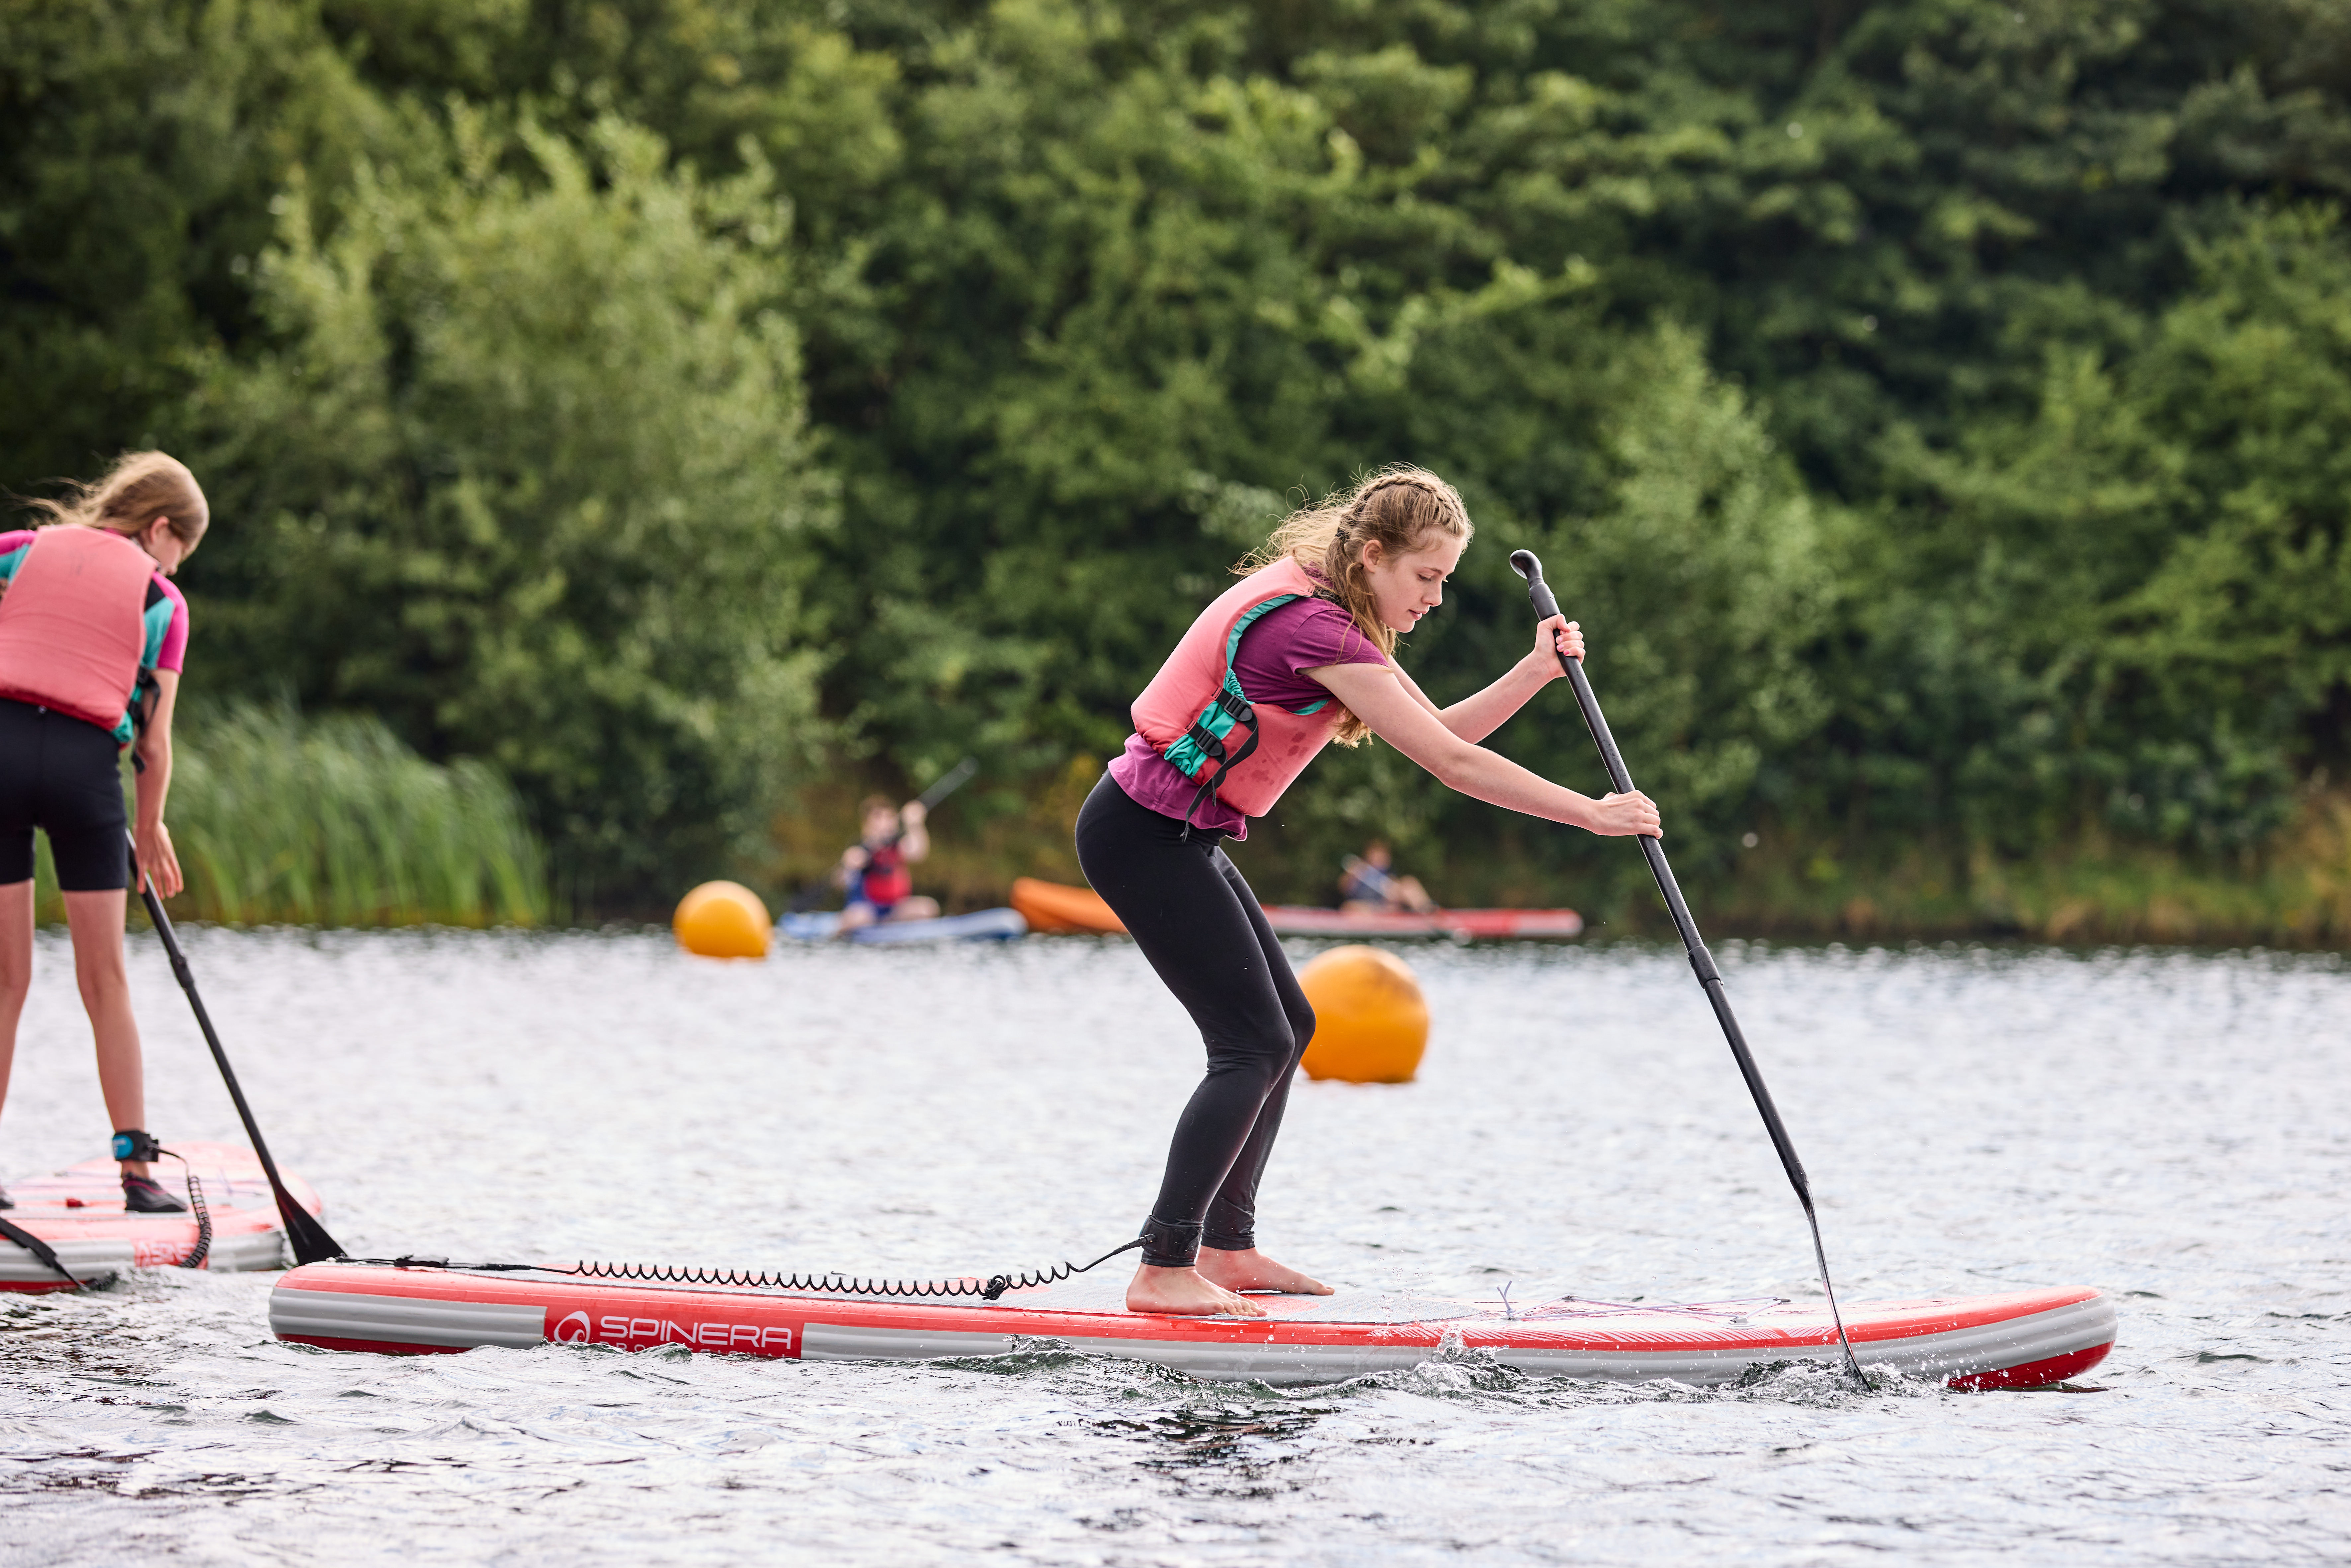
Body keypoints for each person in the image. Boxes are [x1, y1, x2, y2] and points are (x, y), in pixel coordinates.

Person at [1077, 465, 1661, 1318]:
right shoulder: (1313, 629)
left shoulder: (1338, 615)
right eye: (1425, 577)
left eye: (1445, 581)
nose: (1433, 598)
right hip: (1141, 835)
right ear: (1375, 555)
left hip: (1178, 834)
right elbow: (1452, 765)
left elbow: (1442, 731)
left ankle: (1226, 1248)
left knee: (1290, 1027)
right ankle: (1163, 1264)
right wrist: (1592, 813)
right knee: (1248, 1043)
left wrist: (1533, 673)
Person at [0, 452, 207, 1214]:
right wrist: (148, 828)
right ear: (160, 529)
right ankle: (136, 1172)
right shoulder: (163, 601)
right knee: (104, 980)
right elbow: (153, 742)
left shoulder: (18, 552)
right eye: (181, 550)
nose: (177, 565)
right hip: (86, 775)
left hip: (1, 756)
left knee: (4, 980)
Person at [834, 794, 941, 932]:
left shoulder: (898, 846)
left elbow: (918, 853)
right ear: (866, 823)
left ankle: (888, 925)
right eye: (879, 817)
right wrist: (848, 867)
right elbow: (841, 883)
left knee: (928, 909)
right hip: (866, 909)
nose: (885, 823)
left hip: (894, 909)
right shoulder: (859, 849)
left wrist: (915, 825)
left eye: (889, 817)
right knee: (858, 918)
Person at [1338, 840, 1436, 914]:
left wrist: (1393, 892)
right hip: (1369, 908)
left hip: (1389, 906)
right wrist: (1352, 876)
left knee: (1409, 883)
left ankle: (1427, 910)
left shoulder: (1387, 874)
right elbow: (1344, 888)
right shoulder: (1359, 872)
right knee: (1350, 907)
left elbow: (1396, 892)